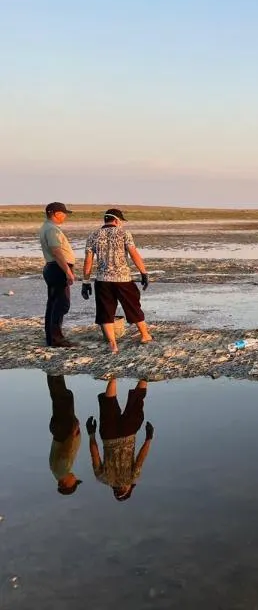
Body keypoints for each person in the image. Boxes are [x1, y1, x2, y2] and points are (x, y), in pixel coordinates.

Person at [80, 208, 152, 353]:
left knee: (105, 312)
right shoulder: (124, 233)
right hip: (123, 279)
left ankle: (113, 344)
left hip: (102, 280)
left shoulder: (93, 235)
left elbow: (88, 260)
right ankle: (145, 335)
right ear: (116, 220)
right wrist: (143, 272)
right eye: (121, 221)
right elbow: (134, 254)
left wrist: (85, 281)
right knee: (133, 306)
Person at [87, 378, 154, 502]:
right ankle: (113, 376)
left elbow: (141, 458)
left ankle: (145, 377)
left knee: (137, 401)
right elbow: (94, 454)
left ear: (126, 489)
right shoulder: (102, 478)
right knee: (109, 402)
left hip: (128, 434)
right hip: (108, 436)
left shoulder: (132, 478)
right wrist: (91, 434)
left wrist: (148, 438)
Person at [38, 201, 77, 347]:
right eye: (64, 213)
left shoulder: (48, 227)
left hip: (54, 268)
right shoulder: (51, 230)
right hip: (57, 269)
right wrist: (67, 271)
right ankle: (56, 338)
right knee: (61, 303)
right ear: (56, 213)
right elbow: (56, 251)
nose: (65, 216)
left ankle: (52, 337)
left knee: (54, 303)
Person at [47, 374, 82, 495]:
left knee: (63, 399)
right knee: (60, 399)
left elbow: (65, 453)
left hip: (64, 431)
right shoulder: (56, 472)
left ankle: (55, 373)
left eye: (74, 482)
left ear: (67, 484)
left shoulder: (61, 472)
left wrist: (73, 433)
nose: (75, 478)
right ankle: (54, 374)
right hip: (60, 430)